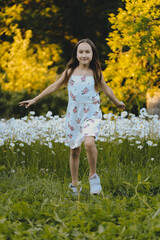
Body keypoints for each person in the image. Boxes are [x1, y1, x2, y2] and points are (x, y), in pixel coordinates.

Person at [19, 39, 125, 195]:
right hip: (74, 115)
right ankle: (74, 185)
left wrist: (116, 102)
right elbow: (54, 86)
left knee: (89, 143)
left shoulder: (96, 72)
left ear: (92, 54)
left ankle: (93, 176)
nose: (84, 55)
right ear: (76, 54)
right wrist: (35, 99)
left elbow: (106, 88)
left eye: (87, 52)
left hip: (91, 113)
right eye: (80, 52)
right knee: (74, 150)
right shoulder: (70, 72)